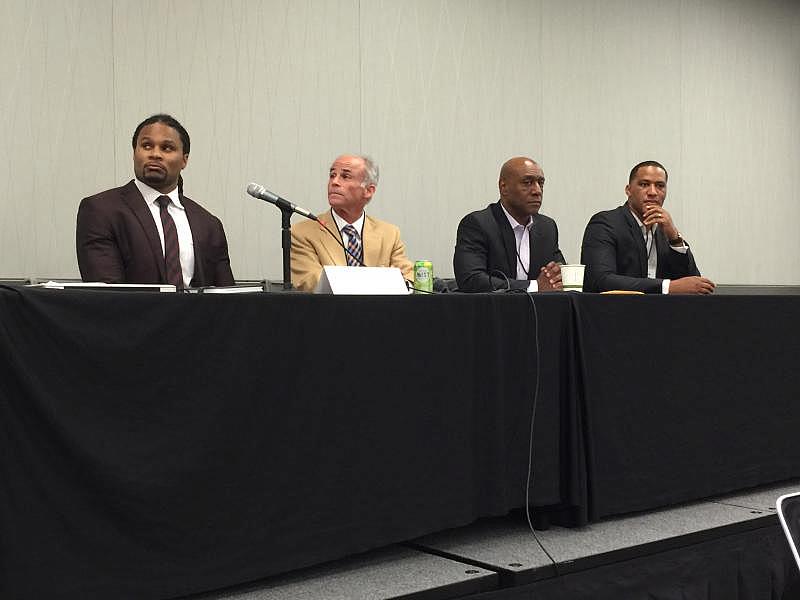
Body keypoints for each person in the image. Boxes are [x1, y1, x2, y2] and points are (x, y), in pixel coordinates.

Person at [76, 114, 234, 289]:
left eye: (167, 148)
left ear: (184, 160)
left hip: (198, 316)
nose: (155, 154)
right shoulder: (101, 210)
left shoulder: (209, 224)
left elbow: (226, 296)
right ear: (134, 153)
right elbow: (108, 294)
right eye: (146, 146)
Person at [580, 161, 714, 294]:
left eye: (660, 186)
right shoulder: (606, 224)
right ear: (628, 190)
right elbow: (599, 280)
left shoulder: (665, 231)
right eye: (644, 185)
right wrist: (667, 287)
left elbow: (694, 284)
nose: (652, 192)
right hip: (616, 311)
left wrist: (675, 238)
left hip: (662, 312)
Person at [290, 154, 413, 291]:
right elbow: (312, 281)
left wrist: (401, 282)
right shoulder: (302, 232)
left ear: (368, 191)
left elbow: (408, 277)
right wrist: (383, 280)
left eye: (345, 177)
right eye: (332, 175)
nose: (334, 182)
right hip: (329, 311)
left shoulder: (389, 233)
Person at [453, 156, 564, 292]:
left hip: (538, 312)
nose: (537, 191)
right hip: (492, 311)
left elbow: (558, 274)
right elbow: (471, 279)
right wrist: (534, 286)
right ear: (503, 187)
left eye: (540, 183)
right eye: (527, 182)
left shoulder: (547, 227)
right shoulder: (478, 224)